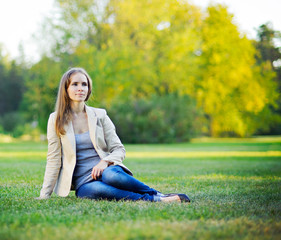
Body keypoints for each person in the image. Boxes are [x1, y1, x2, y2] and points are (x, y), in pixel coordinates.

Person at [37, 67, 190, 203]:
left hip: (107, 170)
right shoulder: (55, 119)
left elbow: (119, 149)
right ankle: (157, 200)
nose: (80, 88)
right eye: (75, 84)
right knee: (95, 191)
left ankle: (157, 194)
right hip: (85, 183)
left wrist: (105, 162)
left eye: (84, 84)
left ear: (89, 89)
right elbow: (54, 159)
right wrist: (45, 194)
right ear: (66, 89)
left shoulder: (100, 115)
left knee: (112, 176)